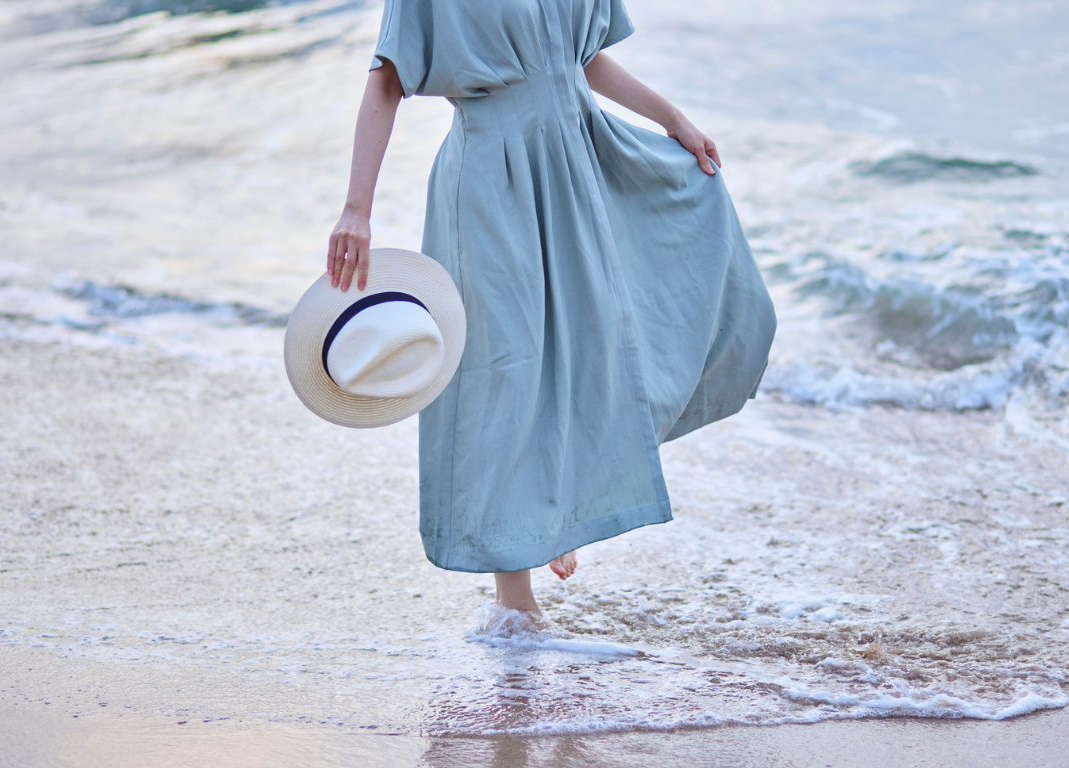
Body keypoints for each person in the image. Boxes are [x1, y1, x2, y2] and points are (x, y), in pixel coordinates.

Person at [325, 0, 775, 617]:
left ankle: (551, 501)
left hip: (581, 159)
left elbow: (582, 61)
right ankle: (517, 594)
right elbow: (386, 81)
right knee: (505, 371)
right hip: (493, 181)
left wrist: (675, 119)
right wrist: (357, 209)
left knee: (596, 345)